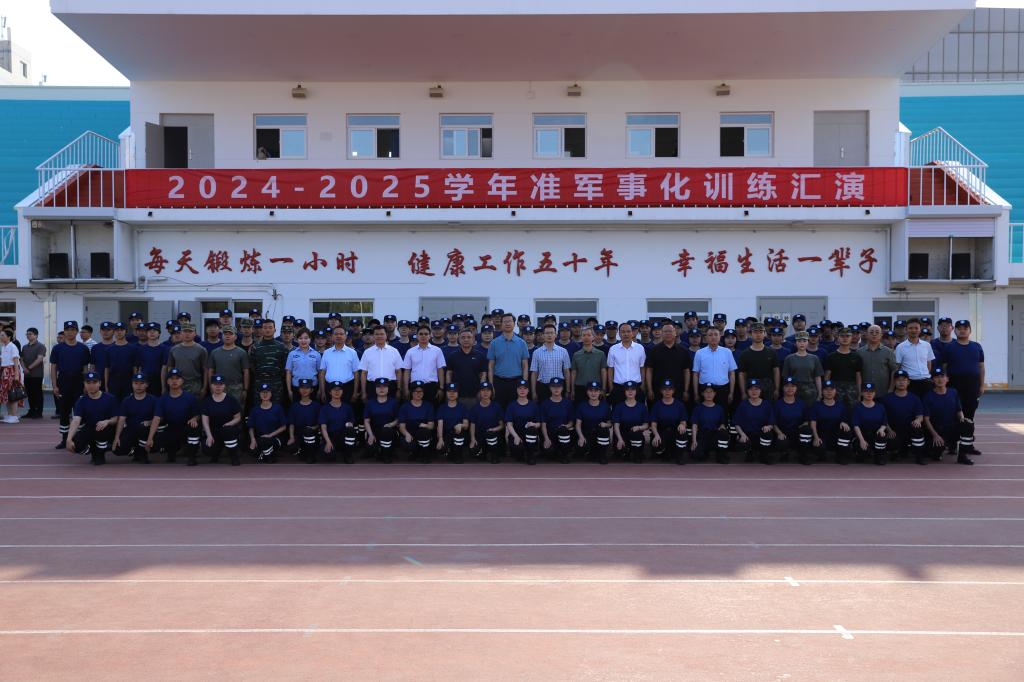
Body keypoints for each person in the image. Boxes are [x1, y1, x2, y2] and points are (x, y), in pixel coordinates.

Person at [943, 320, 984, 453]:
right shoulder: (949, 347)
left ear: (970, 330)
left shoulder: (977, 346)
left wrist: (981, 385)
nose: (962, 330)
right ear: (954, 330)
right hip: (954, 386)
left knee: (969, 416)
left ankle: (968, 445)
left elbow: (981, 367)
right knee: (954, 416)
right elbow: (944, 367)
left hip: (972, 387)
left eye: (965, 328)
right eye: (959, 328)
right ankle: (952, 445)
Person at [50, 321, 92, 449]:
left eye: (73, 329)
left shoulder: (83, 348)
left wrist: (86, 385)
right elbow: (53, 367)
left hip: (78, 381)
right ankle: (64, 439)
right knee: (64, 411)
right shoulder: (57, 348)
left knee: (80, 411)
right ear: (64, 331)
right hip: (63, 381)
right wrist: (54, 385)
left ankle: (79, 439)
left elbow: (85, 368)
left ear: (77, 331)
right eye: (67, 330)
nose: (70, 332)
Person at [146, 368, 201, 465]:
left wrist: (194, 418)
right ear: (167, 381)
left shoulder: (190, 397)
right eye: (171, 379)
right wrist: (150, 438)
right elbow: (157, 418)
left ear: (182, 381)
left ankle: (192, 457)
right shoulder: (162, 399)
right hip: (171, 428)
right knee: (155, 443)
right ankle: (171, 453)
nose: (174, 381)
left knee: (194, 427)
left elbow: (197, 414)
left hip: (186, 427)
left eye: (177, 378)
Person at [922, 368, 975, 465]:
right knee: (936, 451)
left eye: (942, 377)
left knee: (968, 426)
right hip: (938, 430)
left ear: (947, 379)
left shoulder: (953, 392)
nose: (940, 379)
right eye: (937, 377)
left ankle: (962, 456)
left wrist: (962, 419)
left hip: (951, 428)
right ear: (932, 380)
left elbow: (959, 410)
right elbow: (926, 419)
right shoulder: (928, 396)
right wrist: (935, 435)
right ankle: (938, 451)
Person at [65, 371, 119, 465]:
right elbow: (76, 420)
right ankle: (93, 450)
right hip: (90, 427)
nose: (91, 385)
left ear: (100, 383)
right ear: (84, 384)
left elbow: (116, 418)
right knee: (75, 445)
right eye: (88, 382)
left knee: (101, 430)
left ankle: (101, 454)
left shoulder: (110, 398)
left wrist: (107, 421)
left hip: (106, 429)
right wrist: (68, 439)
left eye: (94, 382)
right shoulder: (81, 400)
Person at [880, 370, 927, 465]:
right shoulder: (887, 399)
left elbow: (920, 415)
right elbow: (882, 418)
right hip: (893, 431)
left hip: (909, 430)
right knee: (891, 440)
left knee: (918, 429)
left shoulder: (914, 398)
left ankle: (919, 456)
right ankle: (894, 453)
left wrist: (918, 420)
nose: (901, 382)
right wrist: (889, 430)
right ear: (894, 382)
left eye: (904, 380)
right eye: (898, 380)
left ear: (908, 382)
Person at [112, 373, 158, 463]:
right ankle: (134, 450)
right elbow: (121, 419)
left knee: (144, 430)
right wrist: (116, 437)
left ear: (147, 384)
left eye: (142, 383)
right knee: (117, 449)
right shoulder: (126, 400)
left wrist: (150, 422)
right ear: (132, 384)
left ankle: (143, 454)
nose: (138, 386)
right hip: (131, 430)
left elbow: (160, 418)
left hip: (146, 431)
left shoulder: (153, 400)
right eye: (136, 383)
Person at [488, 313, 530, 408]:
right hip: (499, 382)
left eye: (510, 321)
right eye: (505, 322)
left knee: (516, 409)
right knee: (499, 409)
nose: (507, 324)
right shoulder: (494, 343)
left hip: (516, 382)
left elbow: (525, 366)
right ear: (501, 324)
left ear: (514, 324)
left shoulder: (522, 343)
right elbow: (490, 366)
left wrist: (525, 384)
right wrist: (491, 385)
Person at [200, 374, 244, 465]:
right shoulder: (207, 401)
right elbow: (205, 420)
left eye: (221, 384)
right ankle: (215, 454)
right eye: (215, 384)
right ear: (211, 385)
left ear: (224, 386)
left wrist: (230, 423)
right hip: (214, 432)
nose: (218, 387)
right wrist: (209, 435)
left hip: (229, 430)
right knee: (208, 449)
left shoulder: (231, 400)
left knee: (228, 431)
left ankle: (234, 457)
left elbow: (238, 417)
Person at [644, 323, 691, 405]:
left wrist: (686, 390)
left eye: (670, 331)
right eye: (665, 331)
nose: (668, 333)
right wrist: (650, 389)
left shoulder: (683, 351)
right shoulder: (654, 350)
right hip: (658, 391)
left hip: (678, 390)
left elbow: (686, 371)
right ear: (662, 333)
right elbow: (649, 370)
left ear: (675, 333)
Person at [731, 379, 776, 464]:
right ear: (747, 391)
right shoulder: (743, 404)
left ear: (760, 390)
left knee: (768, 434)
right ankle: (749, 452)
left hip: (760, 434)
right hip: (748, 435)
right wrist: (742, 434)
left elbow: (771, 422)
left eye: (756, 389)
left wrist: (768, 426)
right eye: (751, 389)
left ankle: (764, 455)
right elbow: (736, 423)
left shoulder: (766, 404)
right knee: (742, 444)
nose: (754, 392)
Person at [809, 380, 853, 465]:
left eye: (831, 389)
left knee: (846, 430)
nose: (829, 392)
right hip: (821, 437)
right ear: (822, 391)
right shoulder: (816, 406)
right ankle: (821, 456)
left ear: (835, 391)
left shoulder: (841, 406)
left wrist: (843, 422)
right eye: (826, 389)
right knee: (819, 448)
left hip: (836, 438)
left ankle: (841, 456)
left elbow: (845, 421)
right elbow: (813, 423)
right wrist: (816, 437)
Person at [690, 327, 735, 408]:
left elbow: (731, 373)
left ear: (720, 336)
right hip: (705, 390)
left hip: (722, 390)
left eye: (716, 334)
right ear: (706, 337)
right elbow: (696, 374)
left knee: (722, 413)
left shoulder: (727, 352)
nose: (713, 337)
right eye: (710, 335)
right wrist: (696, 394)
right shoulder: (699, 353)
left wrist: (731, 393)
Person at [773, 377, 814, 465]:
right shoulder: (777, 404)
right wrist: (779, 433)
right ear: (783, 388)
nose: (790, 389)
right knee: (781, 443)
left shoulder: (801, 403)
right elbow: (773, 422)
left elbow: (807, 420)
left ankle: (804, 455)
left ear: (796, 388)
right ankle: (783, 454)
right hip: (783, 434)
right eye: (787, 386)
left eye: (792, 386)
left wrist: (803, 425)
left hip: (797, 433)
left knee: (807, 430)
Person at [649, 379, 689, 465]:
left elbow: (683, 420)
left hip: (674, 432)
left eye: (670, 389)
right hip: (662, 432)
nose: (667, 391)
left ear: (673, 391)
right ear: (661, 391)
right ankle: (664, 453)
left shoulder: (679, 405)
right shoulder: (656, 405)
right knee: (658, 446)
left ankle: (679, 456)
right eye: (665, 389)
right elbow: (653, 424)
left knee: (683, 432)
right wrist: (656, 435)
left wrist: (682, 425)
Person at [358, 325, 404, 401]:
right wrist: (363, 392)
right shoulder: (367, 352)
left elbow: (398, 372)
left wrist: (399, 389)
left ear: (386, 335)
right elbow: (364, 373)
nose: (379, 336)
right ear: (373, 336)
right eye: (377, 334)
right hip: (372, 387)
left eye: (382, 334)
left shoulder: (394, 351)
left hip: (390, 386)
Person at [737, 323, 781, 402]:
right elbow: (742, 374)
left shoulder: (771, 352)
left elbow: (776, 371)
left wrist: (777, 389)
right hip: (752, 389)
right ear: (750, 334)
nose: (758, 335)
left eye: (761, 332)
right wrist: (743, 392)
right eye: (755, 332)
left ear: (765, 334)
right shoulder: (744, 354)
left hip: (768, 389)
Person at [250, 319, 289, 406]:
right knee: (259, 408)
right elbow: (252, 365)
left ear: (275, 330)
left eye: (270, 327)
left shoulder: (282, 347)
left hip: (276, 383)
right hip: (260, 383)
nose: (267, 330)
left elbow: (285, 366)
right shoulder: (255, 347)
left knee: (276, 408)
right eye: (265, 327)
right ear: (262, 329)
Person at [208, 325, 250, 406]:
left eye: (230, 334)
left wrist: (245, 389)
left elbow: (246, 372)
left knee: (237, 410)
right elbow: (211, 371)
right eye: (225, 334)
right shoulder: (215, 352)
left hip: (236, 388)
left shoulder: (241, 352)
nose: (227, 336)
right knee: (219, 409)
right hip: (219, 386)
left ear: (235, 337)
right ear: (222, 336)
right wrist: (211, 386)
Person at [606, 322, 646, 405]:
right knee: (617, 411)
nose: (626, 334)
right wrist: (611, 387)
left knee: (637, 411)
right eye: (623, 332)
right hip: (619, 388)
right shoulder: (613, 349)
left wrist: (643, 385)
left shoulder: (640, 348)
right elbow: (610, 369)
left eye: (628, 331)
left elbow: (642, 368)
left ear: (632, 333)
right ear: (619, 333)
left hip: (636, 387)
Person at [530, 324, 571, 403]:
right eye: (547, 333)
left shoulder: (563, 351)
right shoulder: (536, 352)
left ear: (556, 335)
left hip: (559, 387)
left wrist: (568, 390)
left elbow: (566, 371)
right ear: (543, 335)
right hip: (543, 387)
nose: (549, 335)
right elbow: (534, 373)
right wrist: (533, 392)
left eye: (552, 333)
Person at [850, 383, 890, 465]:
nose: (869, 394)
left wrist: (882, 429)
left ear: (875, 393)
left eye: (871, 392)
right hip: (862, 435)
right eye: (866, 391)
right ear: (862, 393)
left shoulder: (880, 407)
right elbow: (856, 426)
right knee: (863, 452)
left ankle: (880, 456)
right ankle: (862, 454)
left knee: (881, 435)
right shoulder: (857, 407)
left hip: (875, 435)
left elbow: (884, 422)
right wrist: (861, 440)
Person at [248, 382, 288, 463]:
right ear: (259, 394)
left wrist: (270, 435)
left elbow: (284, 426)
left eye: (267, 392)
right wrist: (253, 439)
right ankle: (268, 454)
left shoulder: (277, 408)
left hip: (275, 438)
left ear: (271, 394)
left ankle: (267, 455)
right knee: (252, 451)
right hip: (260, 438)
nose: (265, 394)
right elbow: (251, 427)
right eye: (263, 392)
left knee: (265, 444)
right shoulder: (255, 410)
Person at [318, 326, 360, 404]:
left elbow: (356, 373)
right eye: (336, 334)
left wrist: (355, 392)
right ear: (332, 336)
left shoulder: (352, 353)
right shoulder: (326, 352)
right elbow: (322, 373)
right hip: (329, 388)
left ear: (345, 336)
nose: (338, 336)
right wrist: (323, 391)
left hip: (347, 388)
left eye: (341, 334)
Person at [166, 322, 208, 398]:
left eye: (190, 331)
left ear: (195, 334)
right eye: (185, 331)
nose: (187, 334)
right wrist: (170, 384)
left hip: (195, 386)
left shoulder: (201, 350)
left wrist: (204, 388)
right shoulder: (174, 349)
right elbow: (170, 368)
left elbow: (205, 370)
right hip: (177, 385)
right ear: (181, 333)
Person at [690, 383, 730, 463]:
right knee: (696, 454)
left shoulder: (719, 408)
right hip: (703, 435)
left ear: (715, 393)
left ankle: (721, 455)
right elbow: (694, 425)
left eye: (711, 392)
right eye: (706, 392)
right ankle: (705, 453)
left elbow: (722, 423)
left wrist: (722, 427)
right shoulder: (698, 408)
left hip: (715, 434)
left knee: (724, 433)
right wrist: (694, 441)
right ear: (702, 393)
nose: (709, 394)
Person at [575, 381, 613, 465]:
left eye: (596, 391)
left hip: (600, 434)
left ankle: (602, 456)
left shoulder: (605, 406)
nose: (593, 393)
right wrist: (581, 437)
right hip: (587, 434)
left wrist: (605, 424)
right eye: (591, 390)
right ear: (587, 392)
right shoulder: (581, 406)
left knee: (603, 430)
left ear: (600, 392)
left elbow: (610, 424)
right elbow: (578, 425)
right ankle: (592, 453)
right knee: (581, 448)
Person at [823, 327, 862, 409]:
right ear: (838, 337)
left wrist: (859, 393)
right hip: (836, 389)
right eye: (842, 336)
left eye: (847, 336)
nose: (845, 338)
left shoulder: (856, 357)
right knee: (836, 412)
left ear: (851, 338)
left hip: (852, 389)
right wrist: (826, 391)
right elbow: (827, 376)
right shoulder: (831, 357)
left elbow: (858, 377)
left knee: (852, 412)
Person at [364, 377, 401, 463]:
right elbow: (366, 421)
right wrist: (371, 435)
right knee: (370, 449)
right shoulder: (370, 403)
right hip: (374, 431)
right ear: (375, 389)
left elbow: (398, 419)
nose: (381, 389)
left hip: (389, 431)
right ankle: (379, 450)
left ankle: (386, 455)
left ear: (388, 388)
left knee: (386, 431)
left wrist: (390, 424)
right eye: (379, 387)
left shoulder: (394, 402)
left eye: (384, 386)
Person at [504, 378, 541, 465]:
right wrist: (516, 436)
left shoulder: (533, 405)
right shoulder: (511, 405)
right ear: (516, 390)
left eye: (525, 388)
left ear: (528, 390)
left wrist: (533, 424)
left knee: (531, 429)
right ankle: (522, 454)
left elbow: (539, 423)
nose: (522, 390)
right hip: (516, 435)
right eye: (520, 388)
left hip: (529, 435)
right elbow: (509, 424)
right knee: (517, 451)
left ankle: (531, 455)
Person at [894, 318, 935, 397]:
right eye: (910, 328)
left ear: (920, 329)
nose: (913, 330)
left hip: (926, 382)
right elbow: (897, 366)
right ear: (906, 329)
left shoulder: (927, 345)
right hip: (910, 383)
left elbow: (929, 364)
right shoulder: (900, 347)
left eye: (916, 328)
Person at [612, 380, 650, 463]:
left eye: (633, 389)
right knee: (623, 455)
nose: (630, 392)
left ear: (636, 391)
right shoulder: (619, 406)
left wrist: (639, 427)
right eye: (627, 389)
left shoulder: (642, 407)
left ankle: (637, 454)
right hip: (623, 436)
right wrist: (620, 439)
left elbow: (646, 425)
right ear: (624, 392)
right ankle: (627, 452)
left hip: (637, 435)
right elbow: (616, 426)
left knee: (636, 434)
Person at [781, 333, 823, 407]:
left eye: (804, 341)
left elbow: (817, 377)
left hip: (810, 390)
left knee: (809, 411)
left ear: (808, 342)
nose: (802, 343)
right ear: (795, 343)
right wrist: (785, 393)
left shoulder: (814, 358)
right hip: (793, 390)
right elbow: (785, 378)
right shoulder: (789, 358)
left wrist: (820, 393)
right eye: (799, 341)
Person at [398, 380, 435, 463]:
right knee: (407, 444)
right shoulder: (405, 406)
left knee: (424, 432)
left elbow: (431, 426)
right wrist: (406, 434)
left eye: (421, 391)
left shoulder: (428, 405)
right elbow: (401, 426)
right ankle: (414, 452)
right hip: (410, 434)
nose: (418, 394)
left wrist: (425, 425)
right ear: (411, 392)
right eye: (416, 391)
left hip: (424, 434)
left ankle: (425, 455)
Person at [539, 377, 575, 463]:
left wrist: (566, 426)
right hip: (551, 434)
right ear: (550, 388)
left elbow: (572, 421)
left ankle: (565, 455)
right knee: (550, 454)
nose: (556, 389)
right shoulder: (545, 404)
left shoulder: (568, 403)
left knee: (563, 430)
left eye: (558, 386)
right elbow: (543, 424)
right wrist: (546, 438)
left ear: (562, 388)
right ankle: (555, 451)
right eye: (553, 386)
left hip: (564, 434)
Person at [286, 378, 322, 463]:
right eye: (302, 387)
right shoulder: (294, 406)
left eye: (307, 388)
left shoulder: (316, 406)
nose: (304, 390)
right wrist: (291, 437)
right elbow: (291, 424)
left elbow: (320, 423)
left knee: (309, 433)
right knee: (291, 448)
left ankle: (311, 455)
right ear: (298, 390)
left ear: (312, 390)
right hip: (299, 433)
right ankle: (303, 451)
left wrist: (311, 428)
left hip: (312, 433)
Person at [857, 324, 898, 398]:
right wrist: (859, 392)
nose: (874, 334)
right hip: (865, 393)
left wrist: (891, 389)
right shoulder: (859, 352)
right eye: (871, 332)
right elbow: (857, 373)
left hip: (883, 392)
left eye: (877, 332)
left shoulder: (888, 352)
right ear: (867, 335)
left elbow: (894, 370)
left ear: (881, 335)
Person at [469, 381, 505, 464]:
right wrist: (473, 439)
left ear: (491, 392)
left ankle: (494, 455)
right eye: (483, 390)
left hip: (493, 436)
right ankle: (484, 453)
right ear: (479, 392)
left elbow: (502, 425)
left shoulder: (496, 406)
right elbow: (472, 425)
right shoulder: (475, 408)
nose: (485, 393)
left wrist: (493, 429)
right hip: (480, 436)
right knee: (473, 451)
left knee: (491, 436)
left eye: (488, 390)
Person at [104, 322, 141, 402]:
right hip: (113, 382)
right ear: (114, 332)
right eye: (117, 330)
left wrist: (135, 383)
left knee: (127, 403)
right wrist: (106, 385)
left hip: (128, 381)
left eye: (121, 330)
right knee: (114, 404)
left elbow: (135, 368)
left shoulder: (133, 348)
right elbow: (107, 368)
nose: (119, 332)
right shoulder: (109, 349)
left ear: (126, 331)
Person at [570, 328, 607, 404]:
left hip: (596, 388)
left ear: (593, 337)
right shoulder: (576, 355)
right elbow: (573, 373)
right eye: (584, 335)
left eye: (589, 335)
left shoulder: (600, 354)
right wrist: (572, 390)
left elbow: (603, 371)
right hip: (580, 388)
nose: (586, 337)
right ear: (581, 337)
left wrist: (603, 388)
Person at [285, 329, 321, 405]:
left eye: (306, 338)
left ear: (310, 339)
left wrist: (320, 389)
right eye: (300, 338)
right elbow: (288, 372)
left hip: (312, 388)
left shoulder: (316, 354)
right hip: (296, 388)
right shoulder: (292, 354)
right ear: (296, 339)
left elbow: (320, 373)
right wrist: (289, 390)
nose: (303, 341)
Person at [436, 382, 470, 463]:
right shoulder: (442, 408)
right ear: (446, 393)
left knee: (459, 432)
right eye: (449, 391)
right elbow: (440, 425)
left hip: (459, 434)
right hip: (447, 435)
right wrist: (440, 439)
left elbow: (466, 425)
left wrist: (461, 425)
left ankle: (458, 455)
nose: (452, 394)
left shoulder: (462, 407)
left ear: (457, 393)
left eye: (454, 391)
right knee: (441, 449)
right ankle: (450, 452)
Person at [20, 327, 46, 419]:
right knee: (29, 393)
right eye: (27, 334)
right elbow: (21, 359)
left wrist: (29, 368)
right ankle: (31, 410)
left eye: (30, 334)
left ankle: (38, 412)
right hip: (27, 374)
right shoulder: (24, 347)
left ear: (36, 335)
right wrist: (24, 368)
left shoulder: (40, 346)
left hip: (37, 374)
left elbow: (39, 359)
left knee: (37, 393)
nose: (28, 336)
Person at [138, 323, 169, 397]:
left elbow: (164, 368)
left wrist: (163, 386)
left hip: (158, 383)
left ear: (159, 333)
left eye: (154, 331)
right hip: (145, 383)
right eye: (149, 331)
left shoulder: (165, 349)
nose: (152, 333)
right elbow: (140, 368)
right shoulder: (141, 349)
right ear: (146, 333)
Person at [0, 328, 22, 422]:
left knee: (13, 393)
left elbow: (16, 361)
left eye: (3, 335)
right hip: (5, 371)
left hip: (11, 371)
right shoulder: (3, 347)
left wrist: (16, 375)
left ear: (9, 337)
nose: (1, 337)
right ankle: (10, 414)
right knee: (6, 394)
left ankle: (14, 416)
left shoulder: (12, 346)